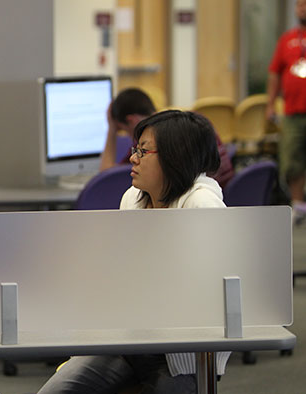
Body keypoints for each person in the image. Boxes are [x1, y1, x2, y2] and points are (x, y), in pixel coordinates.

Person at [37, 110, 230, 394]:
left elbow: (209, 299)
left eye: (143, 150)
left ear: (175, 156)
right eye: (134, 149)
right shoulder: (133, 198)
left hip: (182, 355)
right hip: (126, 342)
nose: (132, 158)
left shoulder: (202, 206)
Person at [100, 88, 234, 188]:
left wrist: (111, 129)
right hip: (224, 197)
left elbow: (107, 177)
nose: (134, 157)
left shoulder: (156, 139)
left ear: (131, 120)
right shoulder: (194, 122)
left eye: (123, 130)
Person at [267, 0, 306, 217]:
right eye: (299, 5)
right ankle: (298, 204)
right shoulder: (287, 40)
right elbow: (274, 73)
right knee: (293, 160)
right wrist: (271, 104)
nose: (302, 9)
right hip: (292, 112)